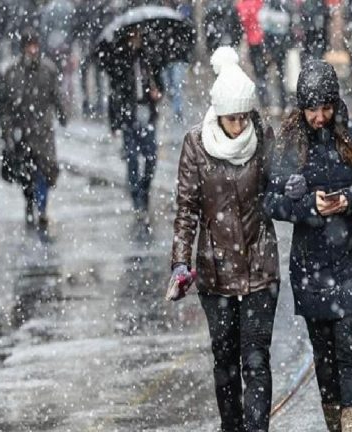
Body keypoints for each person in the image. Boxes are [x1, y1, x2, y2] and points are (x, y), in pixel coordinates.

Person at [264, 60, 352, 432]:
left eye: (326, 108)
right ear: (301, 108)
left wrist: (349, 200)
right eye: (312, 109)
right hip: (310, 268)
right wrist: (307, 206)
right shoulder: (289, 145)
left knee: (350, 351)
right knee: (325, 356)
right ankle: (335, 423)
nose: (320, 117)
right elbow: (270, 201)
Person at [170, 47, 280, 432]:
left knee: (256, 360)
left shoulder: (263, 137)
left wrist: (292, 191)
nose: (239, 125)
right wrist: (180, 262)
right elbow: (186, 209)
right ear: (218, 114)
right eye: (232, 118)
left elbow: (277, 189)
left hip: (260, 267)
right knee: (225, 362)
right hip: (215, 272)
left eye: (244, 117)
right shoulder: (196, 144)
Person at [0, 29, 67, 236]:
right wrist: (7, 131)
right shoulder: (12, 72)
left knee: (45, 171)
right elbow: (6, 105)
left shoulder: (48, 70)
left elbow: (56, 95)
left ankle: (42, 208)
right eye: (29, 46)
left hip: (43, 130)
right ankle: (30, 203)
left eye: (35, 45)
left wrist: (62, 113)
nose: (32, 50)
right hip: (22, 131)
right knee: (26, 173)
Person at [105, 27, 164, 219]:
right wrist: (114, 123)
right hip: (128, 116)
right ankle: (136, 197)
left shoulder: (149, 58)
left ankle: (144, 189)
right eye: (131, 35)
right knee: (132, 158)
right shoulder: (120, 61)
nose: (135, 39)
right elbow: (114, 94)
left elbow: (160, 83)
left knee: (151, 158)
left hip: (147, 113)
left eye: (137, 35)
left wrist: (157, 92)